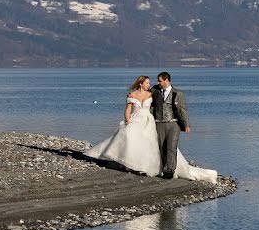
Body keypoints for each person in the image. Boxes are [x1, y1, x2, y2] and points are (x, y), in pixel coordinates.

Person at [85, 74, 217, 183]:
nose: (153, 84)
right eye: (148, 82)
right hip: (144, 121)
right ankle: (136, 164)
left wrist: (186, 124)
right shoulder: (141, 93)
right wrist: (127, 120)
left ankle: (168, 170)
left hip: (159, 122)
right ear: (141, 83)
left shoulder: (162, 93)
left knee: (164, 146)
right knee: (140, 142)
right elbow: (128, 110)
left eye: (157, 81)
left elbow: (179, 108)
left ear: (166, 81)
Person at [151, 72, 216, 182]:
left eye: (160, 81)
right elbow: (150, 104)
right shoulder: (155, 91)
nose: (158, 83)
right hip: (159, 123)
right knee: (162, 147)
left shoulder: (178, 93)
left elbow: (182, 110)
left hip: (174, 124)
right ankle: (163, 168)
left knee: (171, 146)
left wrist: (186, 125)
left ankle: (170, 171)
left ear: (167, 80)